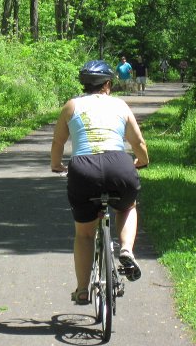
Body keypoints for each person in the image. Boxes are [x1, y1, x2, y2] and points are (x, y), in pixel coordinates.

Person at [51, 60, 149, 305]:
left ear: (84, 84)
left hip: (83, 169)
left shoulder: (71, 106)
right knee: (127, 206)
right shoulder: (119, 105)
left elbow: (58, 144)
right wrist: (142, 160)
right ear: (107, 84)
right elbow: (138, 143)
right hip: (119, 164)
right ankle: (126, 248)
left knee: (84, 235)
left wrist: (56, 165)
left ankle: (83, 290)